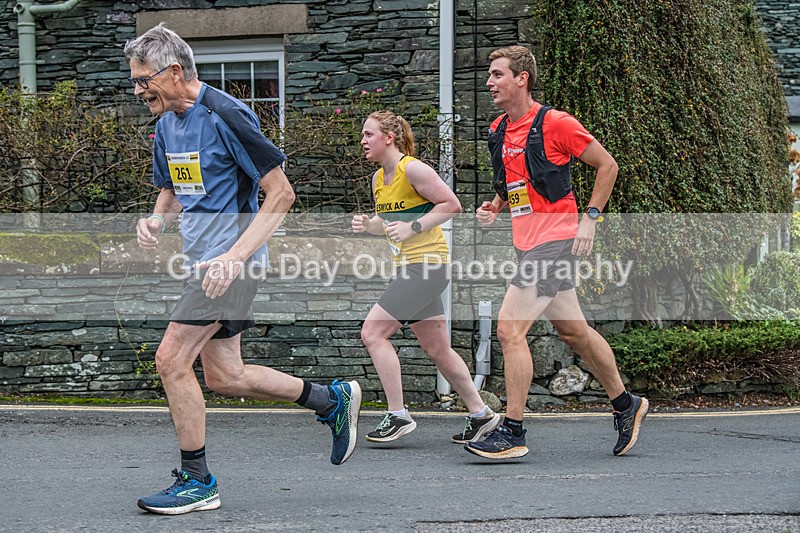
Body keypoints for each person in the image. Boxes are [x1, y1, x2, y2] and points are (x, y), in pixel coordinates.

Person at [125, 24, 361, 515]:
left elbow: (282, 193)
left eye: (143, 78)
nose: (137, 89)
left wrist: (234, 259)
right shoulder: (167, 123)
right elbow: (172, 186)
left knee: (170, 360)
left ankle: (198, 480)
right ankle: (330, 400)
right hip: (202, 264)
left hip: (232, 265)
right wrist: (155, 217)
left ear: (173, 71)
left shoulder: (225, 113)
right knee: (226, 376)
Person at [465, 46, 648, 459]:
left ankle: (512, 431)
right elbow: (514, 184)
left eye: (497, 74)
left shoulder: (556, 123)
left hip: (556, 241)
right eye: (490, 75)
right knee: (573, 332)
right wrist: (495, 206)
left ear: (522, 78)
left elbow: (607, 166)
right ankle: (626, 405)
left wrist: (590, 219)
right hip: (527, 243)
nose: (490, 82)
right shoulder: (498, 129)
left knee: (510, 330)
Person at [352, 110, 500, 444]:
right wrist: (369, 225)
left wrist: (414, 226)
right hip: (412, 267)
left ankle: (397, 414)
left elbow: (451, 204)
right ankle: (481, 414)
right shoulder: (379, 179)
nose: (363, 141)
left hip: (428, 266)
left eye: (368, 134)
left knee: (373, 333)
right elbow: (388, 222)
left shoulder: (413, 169)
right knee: (437, 348)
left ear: (389, 137)